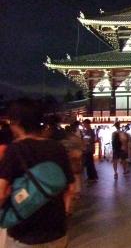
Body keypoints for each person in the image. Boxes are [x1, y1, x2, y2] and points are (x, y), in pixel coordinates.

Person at [0, 99, 75, 247]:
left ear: (17, 123)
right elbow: (70, 189)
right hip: (57, 232)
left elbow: (1, 193)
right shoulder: (57, 148)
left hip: (24, 233)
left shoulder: (15, 150)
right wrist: (64, 213)